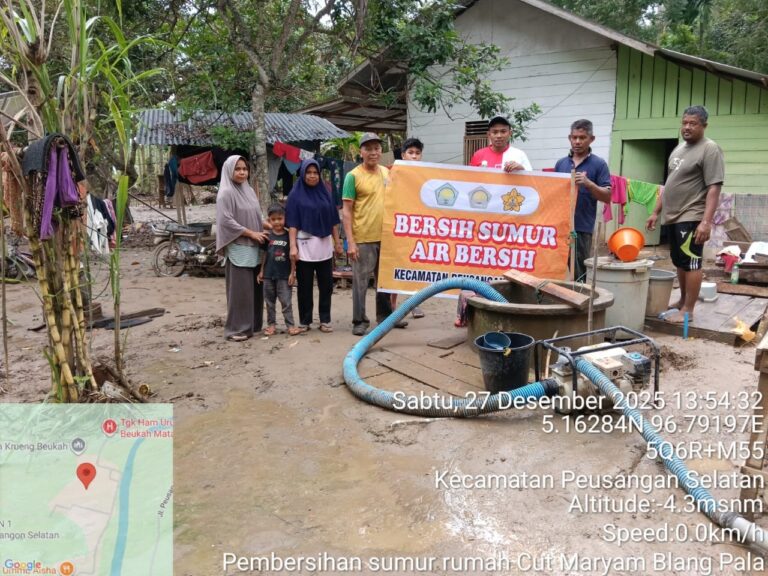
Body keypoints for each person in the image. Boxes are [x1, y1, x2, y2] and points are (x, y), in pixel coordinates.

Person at [646, 105, 724, 324]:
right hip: (673, 215)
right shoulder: (679, 149)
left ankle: (688, 310)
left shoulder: (710, 149)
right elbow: (669, 184)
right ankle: (682, 301)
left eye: (693, 123)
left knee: (691, 262)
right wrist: (655, 212)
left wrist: (706, 222)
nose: (687, 127)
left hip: (691, 214)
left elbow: (714, 187)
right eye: (684, 123)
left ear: (704, 126)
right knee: (679, 261)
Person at [342, 132, 405, 336]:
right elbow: (347, 211)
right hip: (363, 238)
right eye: (368, 148)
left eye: (376, 148)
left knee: (385, 280)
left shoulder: (387, 173)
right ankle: (359, 320)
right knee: (360, 282)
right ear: (361, 151)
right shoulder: (353, 176)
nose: (373, 152)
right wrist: (350, 242)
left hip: (385, 236)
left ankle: (385, 317)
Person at [285, 159, 343, 333]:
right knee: (305, 286)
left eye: (315, 172)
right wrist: (293, 247)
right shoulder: (295, 196)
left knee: (326, 285)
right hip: (304, 246)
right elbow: (293, 223)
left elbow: (333, 220)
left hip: (324, 246)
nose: (312, 176)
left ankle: (325, 319)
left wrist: (338, 243)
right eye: (308, 172)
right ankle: (305, 321)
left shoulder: (325, 193)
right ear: (302, 174)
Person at [215, 155, 268, 341]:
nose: (242, 172)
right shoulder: (225, 194)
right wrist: (252, 233)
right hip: (239, 246)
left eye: (245, 169)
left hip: (253, 247)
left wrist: (268, 226)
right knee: (240, 291)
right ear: (229, 171)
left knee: (255, 288)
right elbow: (226, 221)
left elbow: (254, 216)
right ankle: (236, 329)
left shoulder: (249, 191)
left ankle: (252, 325)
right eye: (237, 169)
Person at [554, 119, 611, 283]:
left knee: (579, 272)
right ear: (569, 138)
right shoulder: (561, 164)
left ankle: (579, 304)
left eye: (582, 137)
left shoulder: (598, 164)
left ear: (591, 139)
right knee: (555, 269)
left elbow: (607, 196)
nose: (577, 141)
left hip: (581, 227)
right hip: (559, 227)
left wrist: (589, 183)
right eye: (574, 137)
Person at [393, 137, 426, 319]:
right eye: (410, 153)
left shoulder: (425, 174)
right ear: (403, 155)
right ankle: (392, 307)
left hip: (417, 227)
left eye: (417, 153)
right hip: (397, 226)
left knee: (414, 265)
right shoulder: (393, 172)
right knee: (395, 265)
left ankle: (414, 303)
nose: (414, 156)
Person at [258, 204, 300, 336]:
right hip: (268, 275)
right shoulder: (267, 236)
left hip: (284, 275)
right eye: (273, 219)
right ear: (269, 220)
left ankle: (290, 325)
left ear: (285, 218)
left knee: (286, 301)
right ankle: (271, 325)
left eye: (280, 218)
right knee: (269, 302)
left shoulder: (289, 236)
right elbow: (264, 254)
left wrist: (292, 273)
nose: (277, 222)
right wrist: (261, 271)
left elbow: (292, 257)